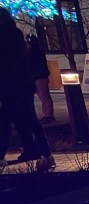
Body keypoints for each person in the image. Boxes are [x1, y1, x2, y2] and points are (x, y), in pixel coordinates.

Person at [0, 8, 54, 171]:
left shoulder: (6, 38)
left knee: (6, 120)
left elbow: (7, 63)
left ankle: (3, 155)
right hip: (21, 85)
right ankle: (42, 152)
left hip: (10, 86)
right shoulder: (15, 35)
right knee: (26, 119)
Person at [25, 35, 53, 124]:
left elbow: (32, 65)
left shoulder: (33, 53)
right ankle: (48, 114)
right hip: (39, 76)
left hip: (39, 77)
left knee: (44, 96)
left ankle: (48, 115)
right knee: (44, 97)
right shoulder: (38, 52)